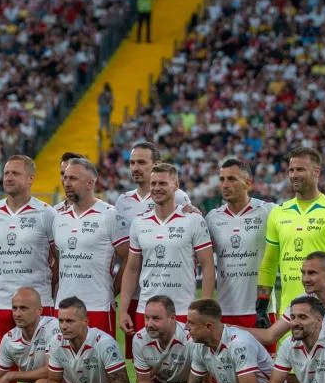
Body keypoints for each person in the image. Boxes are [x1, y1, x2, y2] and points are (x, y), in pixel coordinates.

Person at [256, 147, 325, 322]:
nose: (294, 175)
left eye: (300, 169)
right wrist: (261, 307)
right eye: (291, 170)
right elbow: (269, 263)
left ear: (316, 172)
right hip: (288, 314)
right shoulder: (279, 213)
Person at [117, 162, 215, 336]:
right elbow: (132, 269)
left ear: (175, 185)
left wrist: (204, 309)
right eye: (153, 183)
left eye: (162, 183)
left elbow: (207, 266)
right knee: (144, 355)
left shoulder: (193, 220)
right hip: (146, 311)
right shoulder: (139, 223)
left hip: (182, 310)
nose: (156, 188)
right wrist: (123, 311)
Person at [112, 141, 191, 356]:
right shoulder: (123, 201)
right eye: (132, 163)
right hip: (136, 294)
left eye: (141, 162)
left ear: (156, 164)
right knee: (141, 355)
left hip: (169, 292)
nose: (135, 168)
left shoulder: (179, 196)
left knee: (176, 355)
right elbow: (126, 254)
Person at [0, 154, 57, 351]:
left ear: (31, 178)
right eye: (6, 173)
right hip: (1, 302)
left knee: (43, 363)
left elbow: (58, 258)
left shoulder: (46, 213)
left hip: (39, 301)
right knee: (2, 362)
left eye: (15, 173)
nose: (8, 177)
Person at [53, 158, 128, 334]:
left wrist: (113, 290)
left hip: (97, 307)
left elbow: (129, 258)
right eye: (65, 177)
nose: (67, 183)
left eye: (73, 178)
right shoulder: (59, 218)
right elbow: (56, 261)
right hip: (62, 308)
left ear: (90, 183)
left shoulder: (109, 215)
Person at [205, 157, 273, 327]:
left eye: (232, 179)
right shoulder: (212, 218)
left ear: (248, 183)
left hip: (261, 310)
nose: (225, 185)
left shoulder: (268, 212)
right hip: (225, 310)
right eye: (222, 179)